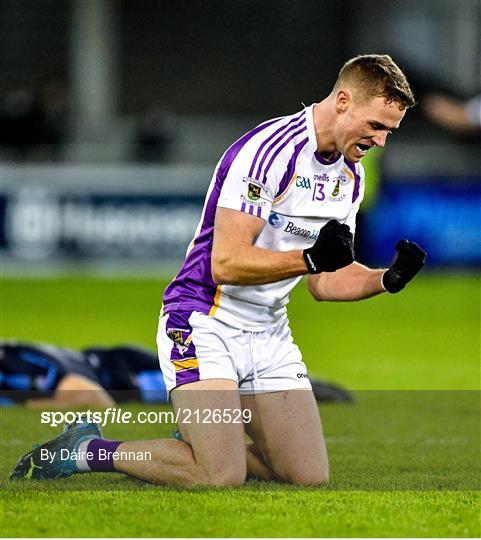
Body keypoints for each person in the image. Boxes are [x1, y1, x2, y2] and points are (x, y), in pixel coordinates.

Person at [11, 54, 426, 485]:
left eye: (389, 132)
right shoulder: (268, 153)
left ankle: (206, 435)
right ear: (343, 101)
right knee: (218, 475)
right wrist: (307, 259)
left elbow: (323, 281)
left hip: (269, 332)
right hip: (202, 320)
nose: (380, 142)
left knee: (307, 476)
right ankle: (85, 449)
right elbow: (225, 263)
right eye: (376, 126)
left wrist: (385, 279)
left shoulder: (349, 177)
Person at [0, 340, 350, 407]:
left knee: (223, 390)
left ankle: (309, 389)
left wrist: (24, 407)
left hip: (123, 372)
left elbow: (90, 396)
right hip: (117, 374)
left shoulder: (12, 362)